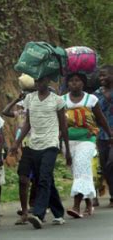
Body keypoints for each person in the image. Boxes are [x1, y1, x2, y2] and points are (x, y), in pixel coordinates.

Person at [10, 76, 71, 229]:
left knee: (43, 178)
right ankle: (58, 213)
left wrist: (67, 150)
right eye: (36, 82)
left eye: (41, 81)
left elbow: (63, 126)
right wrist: (16, 143)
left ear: (48, 82)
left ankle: (38, 214)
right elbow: (28, 123)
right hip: (34, 145)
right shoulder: (30, 98)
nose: (38, 84)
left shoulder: (57, 100)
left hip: (51, 144)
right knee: (44, 178)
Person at [64, 73, 113, 217]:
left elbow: (101, 118)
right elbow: (59, 122)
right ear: (67, 84)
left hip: (88, 139)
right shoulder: (62, 100)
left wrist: (110, 134)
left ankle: (76, 206)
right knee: (79, 172)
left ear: (83, 83)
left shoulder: (91, 99)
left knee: (81, 166)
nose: (74, 83)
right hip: (69, 141)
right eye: (71, 81)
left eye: (78, 80)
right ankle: (89, 202)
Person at [2, 92, 37, 224]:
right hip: (25, 148)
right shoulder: (20, 113)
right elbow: (5, 111)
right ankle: (25, 211)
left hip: (40, 146)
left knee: (39, 179)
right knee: (23, 178)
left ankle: (38, 207)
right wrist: (16, 99)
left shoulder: (39, 110)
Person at [94, 64, 113, 208]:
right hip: (102, 134)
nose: (102, 78)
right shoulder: (97, 93)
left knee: (111, 163)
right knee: (105, 166)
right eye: (100, 75)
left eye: (104, 75)